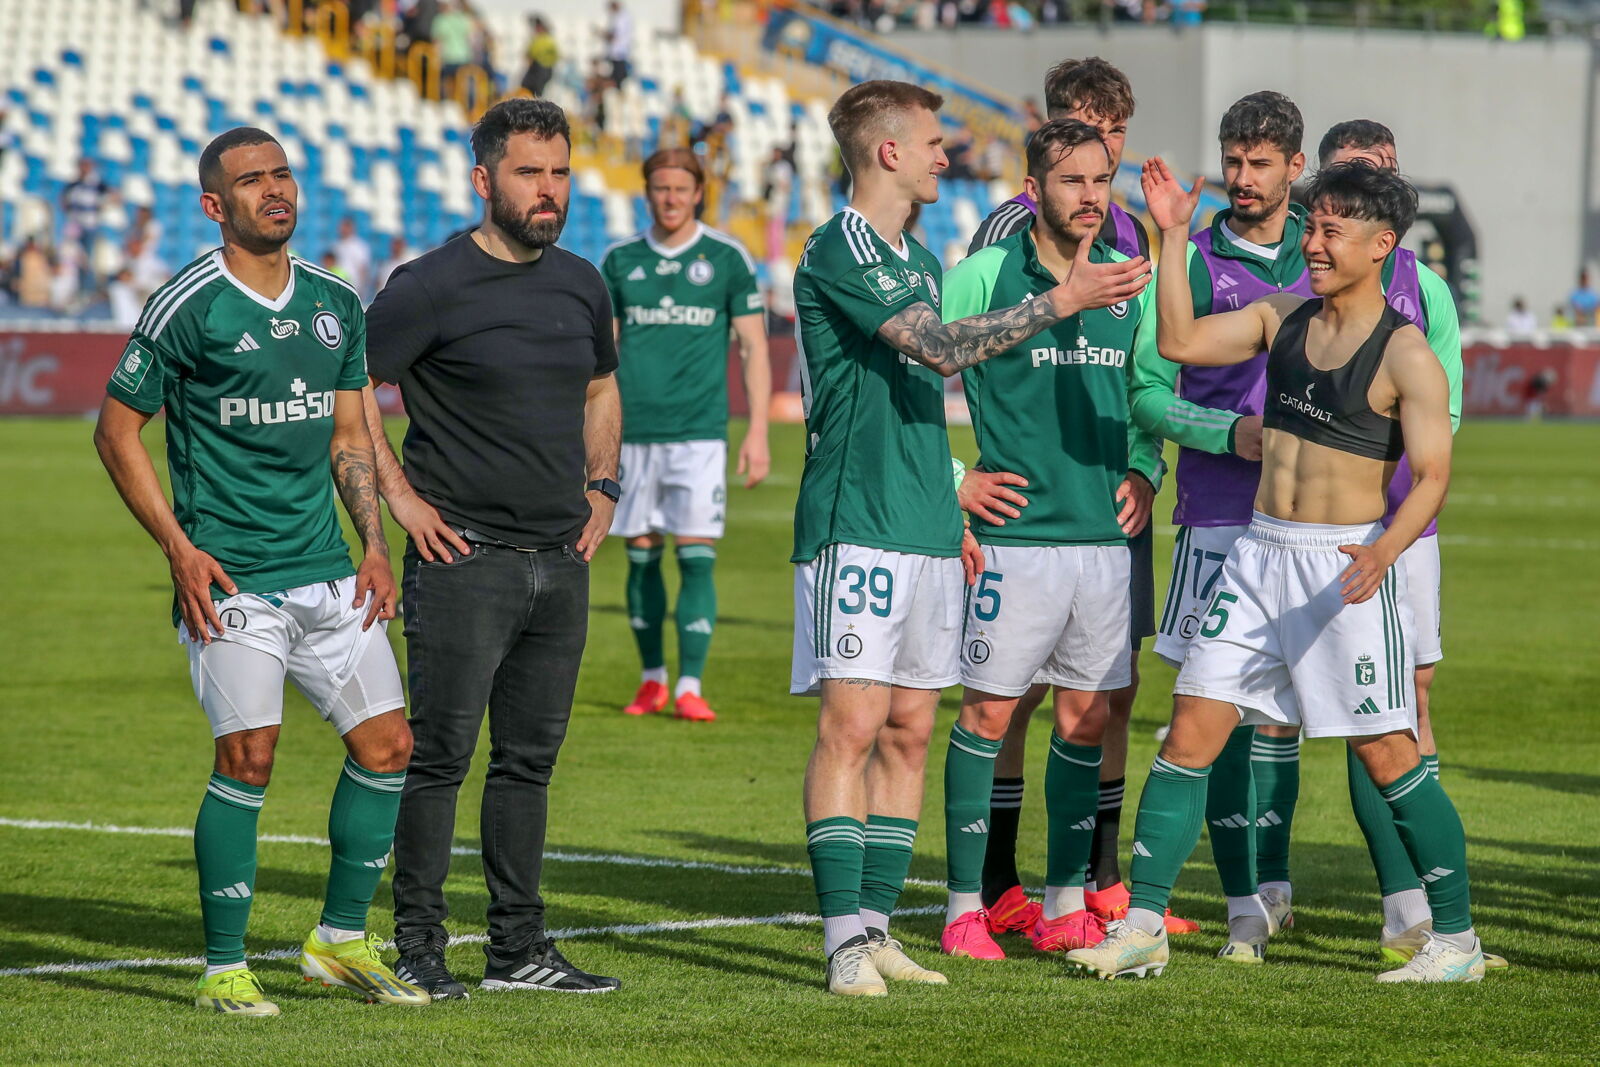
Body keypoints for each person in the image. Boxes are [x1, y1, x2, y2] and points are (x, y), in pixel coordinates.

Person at [1068, 159, 1485, 984]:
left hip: (1343, 568)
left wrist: (1382, 549)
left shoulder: (1408, 356)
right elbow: (1178, 342)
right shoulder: (1281, 315)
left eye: (1332, 229)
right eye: (1313, 225)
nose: (1314, 242)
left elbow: (1434, 473)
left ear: (1381, 244)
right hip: (1259, 555)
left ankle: (1457, 940)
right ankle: (1145, 924)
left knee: (1389, 755)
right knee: (1188, 730)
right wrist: (1175, 231)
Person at [793, 79, 1149, 996]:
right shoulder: (842, 246)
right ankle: (839, 940)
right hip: (857, 520)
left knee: (912, 729)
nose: (946, 156)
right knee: (854, 725)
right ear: (887, 153)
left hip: (923, 523)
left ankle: (875, 929)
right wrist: (1062, 301)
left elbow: (924, 393)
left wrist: (952, 493)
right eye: (933, 142)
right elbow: (942, 351)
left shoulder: (914, 254)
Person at [92, 126, 427, 1016]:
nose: (273, 189)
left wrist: (375, 545)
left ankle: (339, 942)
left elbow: (352, 436)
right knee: (249, 755)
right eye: (251, 180)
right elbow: (116, 430)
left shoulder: (334, 302)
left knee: (388, 746)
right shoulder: (187, 304)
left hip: (331, 571)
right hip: (234, 581)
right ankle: (223, 966)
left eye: (282, 174)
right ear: (215, 205)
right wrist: (179, 547)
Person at [362, 98, 623, 999]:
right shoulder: (427, 285)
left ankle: (518, 950)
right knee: (439, 759)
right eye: (528, 173)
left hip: (562, 561)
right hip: (463, 562)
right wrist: (400, 497)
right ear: (484, 180)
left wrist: (604, 486)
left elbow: (600, 386)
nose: (547, 190)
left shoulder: (583, 282)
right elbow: (347, 391)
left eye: (558, 173)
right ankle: (418, 950)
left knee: (528, 764)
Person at [960, 55, 1194, 943]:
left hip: (1110, 502)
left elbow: (1148, 368)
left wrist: (1145, 467)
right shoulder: (1004, 233)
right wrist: (969, 473)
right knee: (1007, 692)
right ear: (1049, 132)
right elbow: (967, 351)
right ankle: (994, 876)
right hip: (1030, 504)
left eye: (1114, 134)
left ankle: (1096, 872)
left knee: (1111, 689)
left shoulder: (1132, 230)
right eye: (1082, 128)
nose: (1100, 152)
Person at [1310, 121, 1505, 971]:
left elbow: (1446, 412)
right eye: (1351, 176)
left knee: (1402, 703)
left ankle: (1419, 915)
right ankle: (1263, 901)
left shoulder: (1428, 291)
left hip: (1401, 533)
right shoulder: (1298, 286)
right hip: (1300, 529)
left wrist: (1394, 516)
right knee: (1247, 715)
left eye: (1382, 176)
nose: (1369, 188)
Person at [1129, 90, 1314, 962]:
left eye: (1260, 163)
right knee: (1216, 709)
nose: (1242, 179)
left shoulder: (1333, 251)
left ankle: (1288, 887)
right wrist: (1226, 432)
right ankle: (1241, 900)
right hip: (1218, 517)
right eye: (1232, 162)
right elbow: (1147, 391)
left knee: (1298, 716)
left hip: (1317, 520)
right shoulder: (1193, 261)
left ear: (1294, 168)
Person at [602, 148, 770, 723]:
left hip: (700, 435)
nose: (670, 198)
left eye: (680, 189)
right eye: (660, 189)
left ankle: (690, 685)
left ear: (698, 193)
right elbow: (600, 359)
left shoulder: (725, 258)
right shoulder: (620, 261)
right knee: (642, 559)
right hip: (632, 435)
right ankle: (652, 680)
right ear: (646, 193)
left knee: (697, 559)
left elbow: (752, 347)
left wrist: (758, 432)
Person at [521, 15, 559, 97]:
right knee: (529, 87)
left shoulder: (544, 40)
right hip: (539, 68)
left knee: (536, 89)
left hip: (541, 68)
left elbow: (531, 54)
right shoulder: (541, 39)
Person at [333, 216, 373, 296]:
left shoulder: (359, 246)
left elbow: (363, 269)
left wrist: (362, 288)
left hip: (353, 287)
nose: (342, 229)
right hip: (338, 287)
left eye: (345, 226)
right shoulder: (336, 246)